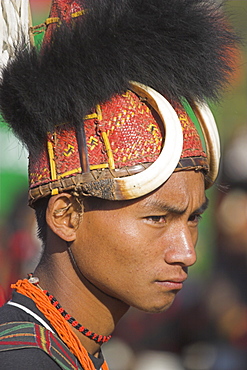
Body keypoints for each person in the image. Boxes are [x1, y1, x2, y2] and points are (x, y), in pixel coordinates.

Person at [0, 0, 238, 369]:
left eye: (192, 219)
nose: (187, 252)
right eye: (158, 218)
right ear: (66, 216)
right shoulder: (24, 360)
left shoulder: (64, 347)